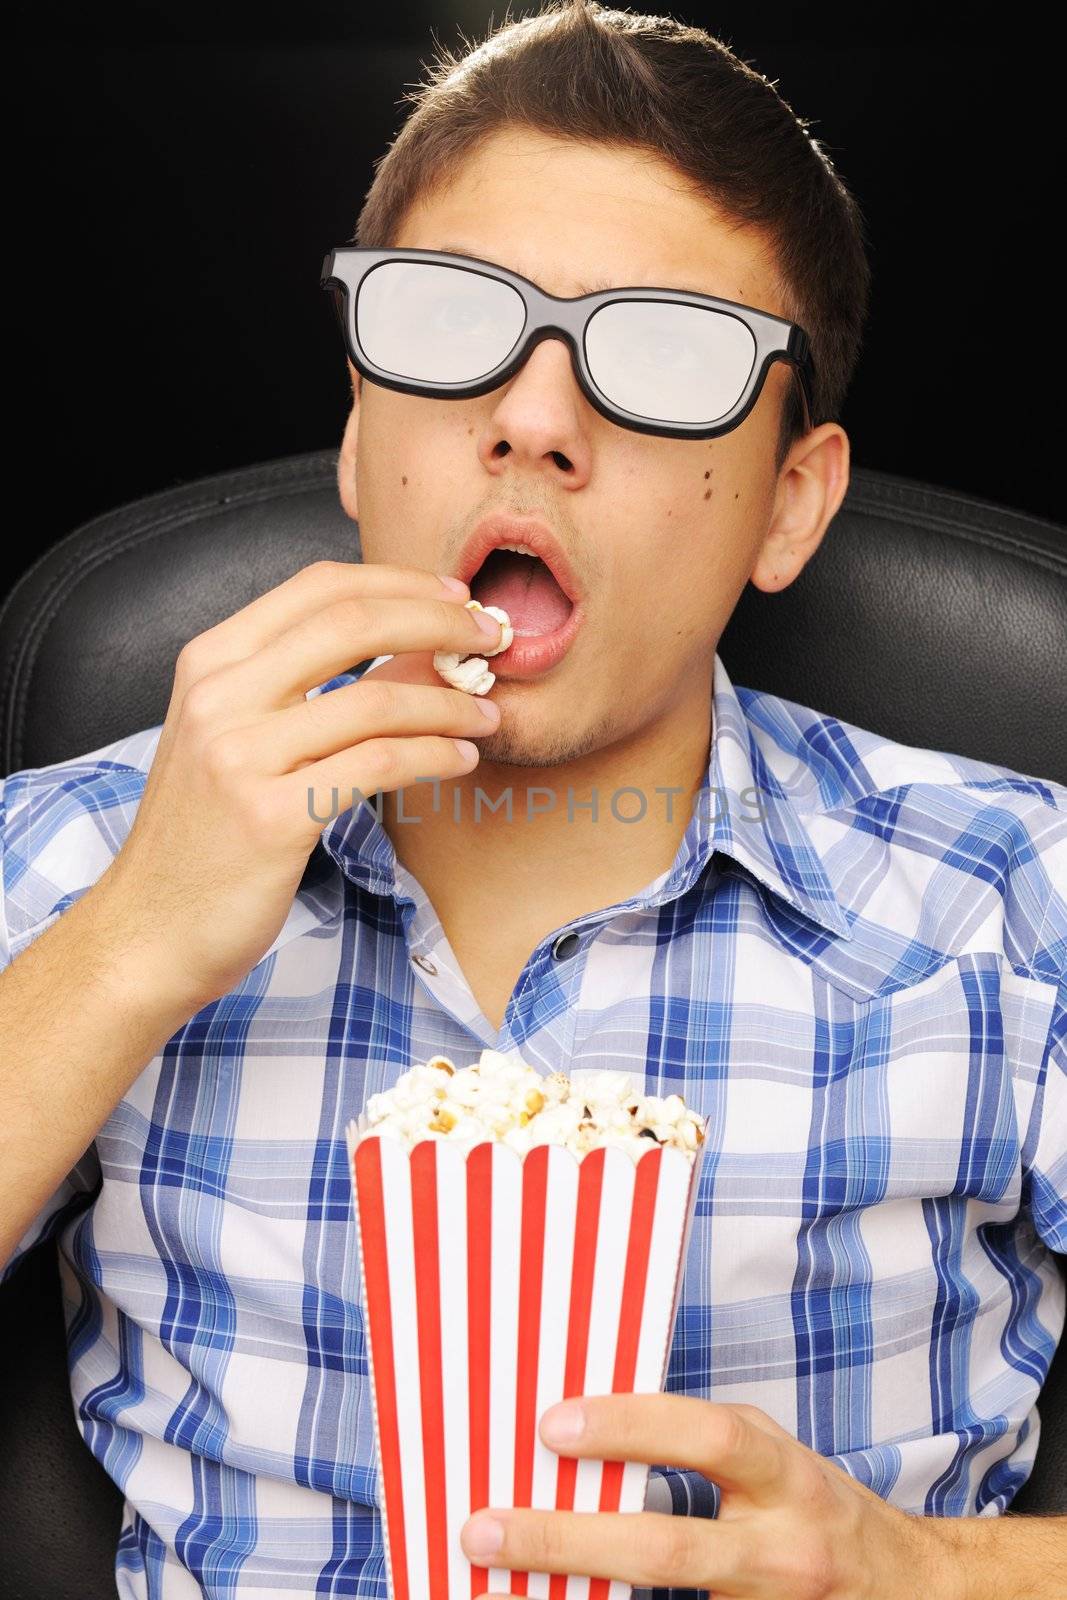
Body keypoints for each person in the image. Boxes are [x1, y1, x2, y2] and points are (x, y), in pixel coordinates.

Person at [1, 2, 1064, 1596]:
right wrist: (132, 941)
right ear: (361, 438)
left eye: (664, 357)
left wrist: (930, 1572)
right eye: (450, 323)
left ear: (790, 502)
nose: (534, 420)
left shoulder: (1014, 896)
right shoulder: (81, 851)